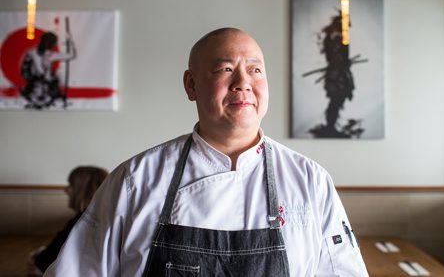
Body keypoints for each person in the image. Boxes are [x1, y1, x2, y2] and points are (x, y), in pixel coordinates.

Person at [45, 28, 368, 276]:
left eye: (255, 70)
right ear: (191, 85)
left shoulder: (309, 180)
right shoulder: (136, 179)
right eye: (225, 69)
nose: (243, 83)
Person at [26, 166, 108, 276]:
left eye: (71, 185)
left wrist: (37, 256)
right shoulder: (102, 218)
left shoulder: (80, 222)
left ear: (84, 190)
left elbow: (39, 266)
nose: (66, 189)